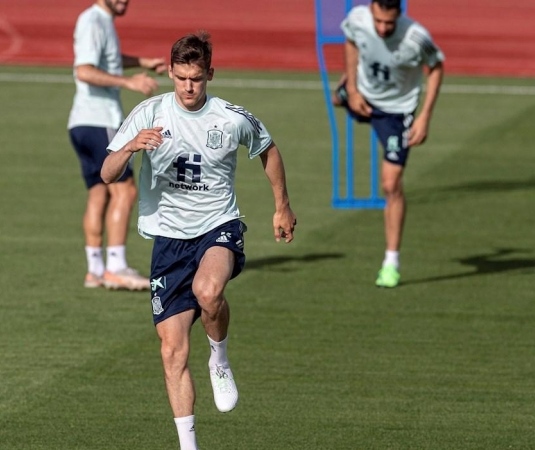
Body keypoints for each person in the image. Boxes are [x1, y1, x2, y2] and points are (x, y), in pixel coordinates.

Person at [101, 31, 297, 450]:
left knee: (208, 292)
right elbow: (106, 173)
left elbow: (269, 149)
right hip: (168, 241)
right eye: (182, 78)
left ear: (210, 73)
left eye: (197, 78)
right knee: (172, 353)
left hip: (217, 226)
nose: (189, 87)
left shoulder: (230, 117)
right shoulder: (148, 113)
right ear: (170, 72)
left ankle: (220, 358)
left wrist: (282, 206)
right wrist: (132, 147)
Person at [332, 0, 444, 288]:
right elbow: (352, 41)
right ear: (371, 10)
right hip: (364, 96)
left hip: (396, 111)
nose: (382, 28)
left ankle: (390, 262)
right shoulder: (357, 18)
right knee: (336, 97)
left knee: (391, 184)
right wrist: (353, 88)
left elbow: (436, 67)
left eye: (389, 23)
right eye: (378, 21)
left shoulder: (416, 37)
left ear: (400, 16)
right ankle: (348, 90)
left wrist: (424, 118)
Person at [68, 0, 167, 291]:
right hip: (100, 120)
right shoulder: (93, 21)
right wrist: (129, 83)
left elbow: (105, 61)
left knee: (100, 193)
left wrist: (142, 62)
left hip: (82, 122)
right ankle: (116, 266)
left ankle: (95, 269)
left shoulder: (100, 21)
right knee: (125, 190)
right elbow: (84, 70)